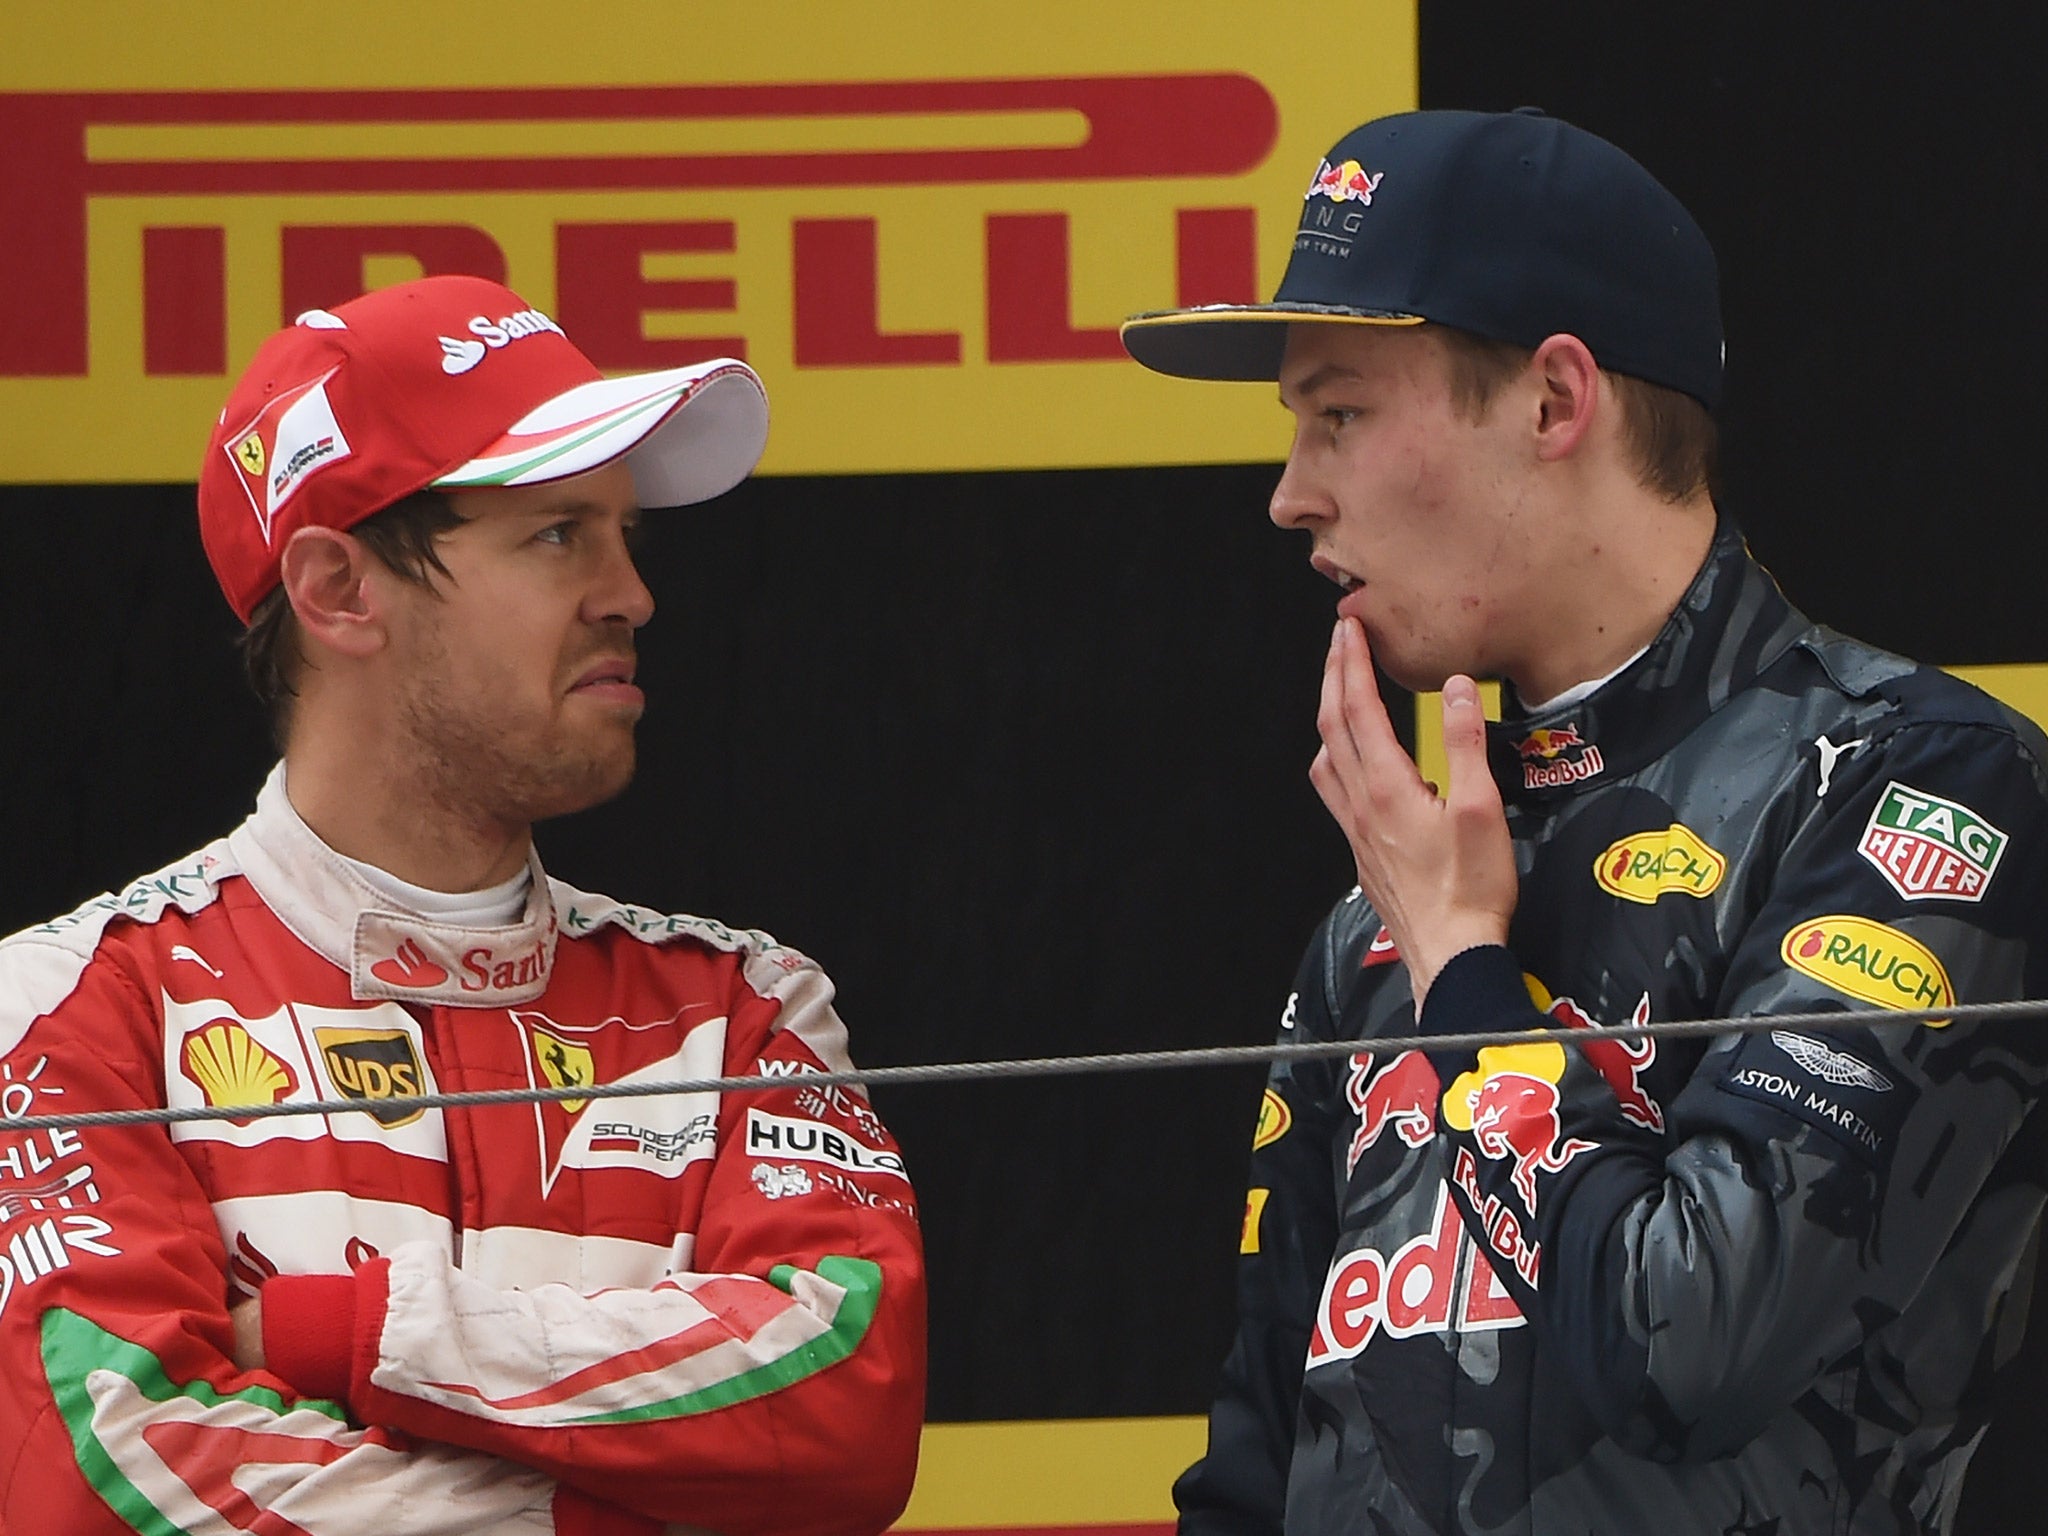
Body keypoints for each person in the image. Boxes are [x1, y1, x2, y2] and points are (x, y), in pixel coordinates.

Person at [1121, 107, 2048, 1535]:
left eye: (1342, 414)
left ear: (1556, 403)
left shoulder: (1912, 789)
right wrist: (1430, 935)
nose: (1290, 495)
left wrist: (1466, 975)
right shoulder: (1392, 893)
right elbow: (1255, 1465)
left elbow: (1690, 1346)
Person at [0, 275, 925, 1534]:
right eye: (557, 534)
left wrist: (349, 1328)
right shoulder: (67, 1007)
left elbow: (845, 1415)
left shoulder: (744, 1005)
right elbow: (104, 1478)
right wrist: (629, 1507)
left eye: (622, 535)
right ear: (338, 591)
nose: (630, 595)